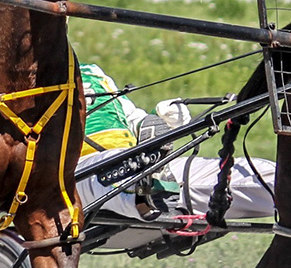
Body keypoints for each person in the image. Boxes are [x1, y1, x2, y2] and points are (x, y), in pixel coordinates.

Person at [75, 62, 278, 221]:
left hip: (142, 161)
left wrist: (162, 120)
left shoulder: (92, 73)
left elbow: (134, 120)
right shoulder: (52, 78)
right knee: (122, 166)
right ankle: (147, 190)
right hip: (74, 174)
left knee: (265, 177)